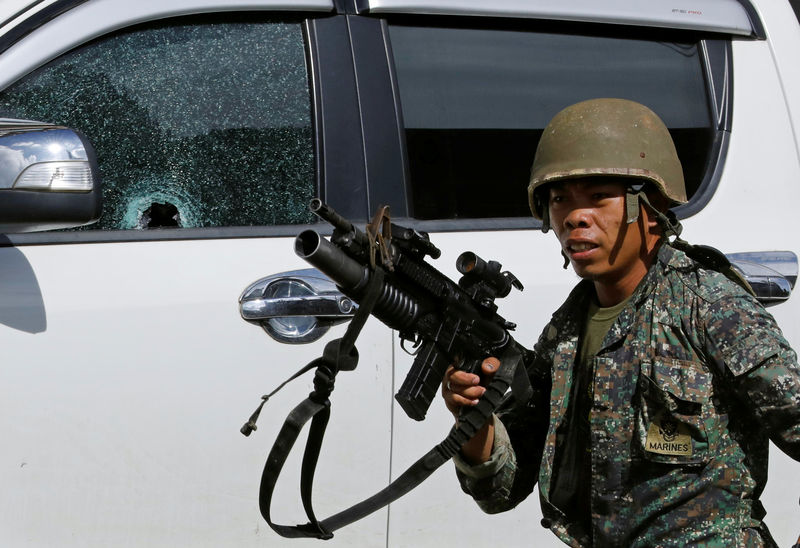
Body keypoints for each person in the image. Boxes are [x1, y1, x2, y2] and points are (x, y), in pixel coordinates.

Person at [441, 98, 800, 546]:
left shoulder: (711, 307)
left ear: (649, 206)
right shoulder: (566, 332)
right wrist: (475, 421)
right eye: (559, 200)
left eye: (598, 197)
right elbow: (501, 491)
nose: (574, 216)